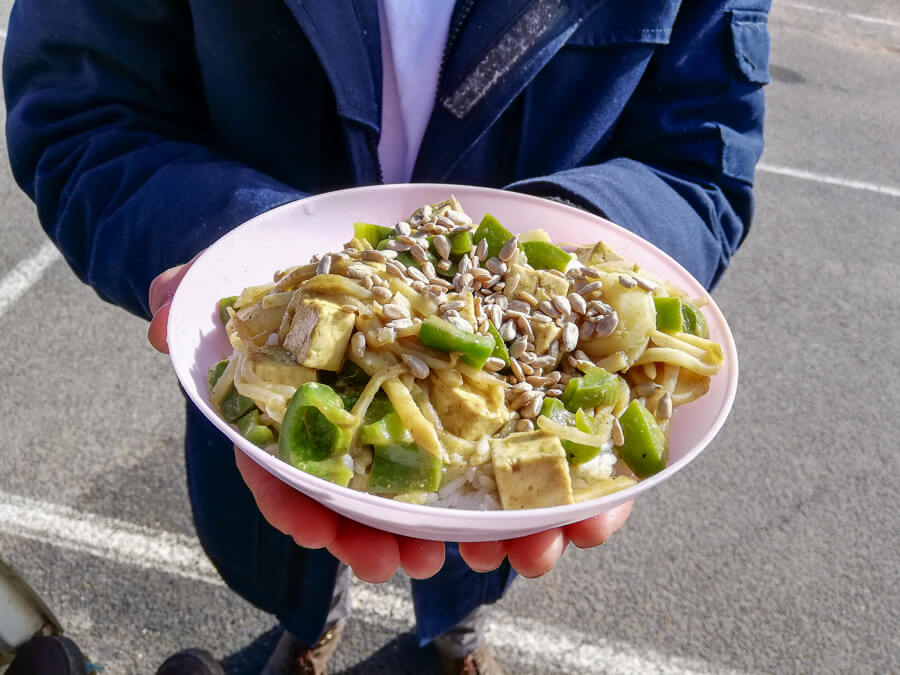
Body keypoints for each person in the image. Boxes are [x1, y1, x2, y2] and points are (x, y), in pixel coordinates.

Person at [4, 0, 770, 672]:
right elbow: (80, 112)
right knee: (287, 562)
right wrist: (260, 258)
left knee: (480, 569)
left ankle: (457, 632)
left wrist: (577, 268)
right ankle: (309, 626)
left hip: (525, 439)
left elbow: (701, 164)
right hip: (274, 420)